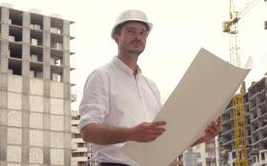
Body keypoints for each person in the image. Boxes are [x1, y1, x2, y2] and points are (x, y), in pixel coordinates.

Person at [78, 9, 221, 166]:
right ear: (117, 38)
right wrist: (131, 134)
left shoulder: (151, 87)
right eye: (131, 31)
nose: (138, 37)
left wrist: (202, 138)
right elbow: (87, 132)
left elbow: (162, 143)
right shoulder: (101, 76)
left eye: (142, 33)